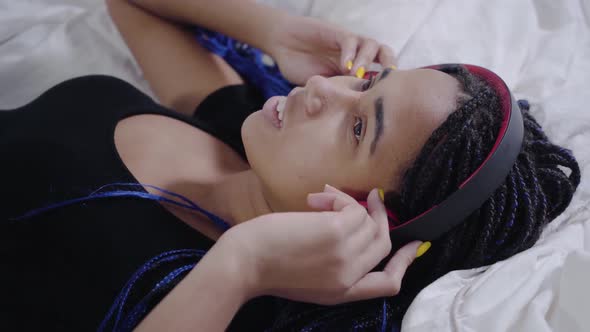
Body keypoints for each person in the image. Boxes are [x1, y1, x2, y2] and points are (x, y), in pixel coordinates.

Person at [0, 0, 580, 331]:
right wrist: (271, 29)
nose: (322, 91)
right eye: (365, 85)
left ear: (369, 220)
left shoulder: (235, 307)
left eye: (357, 128)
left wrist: (240, 268)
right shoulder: (236, 128)